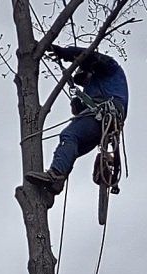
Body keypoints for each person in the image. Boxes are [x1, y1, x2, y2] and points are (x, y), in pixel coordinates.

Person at [24, 41, 129, 199]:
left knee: (70, 136)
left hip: (105, 115)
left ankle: (56, 175)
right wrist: (76, 98)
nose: (85, 83)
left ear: (89, 70)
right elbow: (80, 111)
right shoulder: (92, 89)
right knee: (71, 149)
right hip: (99, 123)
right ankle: (54, 186)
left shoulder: (110, 68)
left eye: (84, 78)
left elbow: (89, 56)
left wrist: (63, 53)